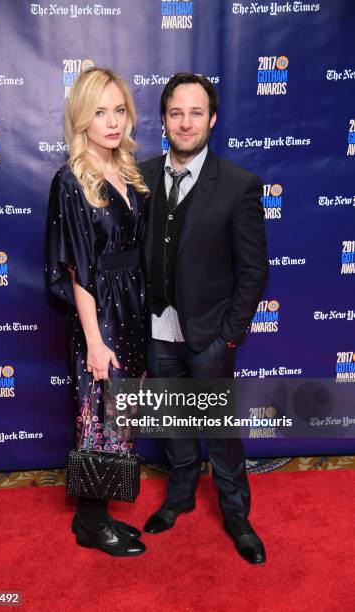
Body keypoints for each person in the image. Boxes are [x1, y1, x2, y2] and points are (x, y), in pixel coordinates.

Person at [140, 73, 269, 564]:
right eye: (176, 113)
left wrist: (228, 335)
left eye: (196, 113)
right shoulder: (142, 176)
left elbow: (254, 269)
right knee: (174, 420)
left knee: (219, 429)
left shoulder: (239, 185)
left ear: (212, 119)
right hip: (157, 330)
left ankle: (236, 513)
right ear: (164, 120)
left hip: (210, 334)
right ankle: (179, 496)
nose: (186, 122)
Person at [46, 67, 149, 557]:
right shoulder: (70, 180)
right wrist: (94, 340)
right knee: (99, 416)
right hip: (101, 309)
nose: (111, 121)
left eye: (118, 110)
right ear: (81, 119)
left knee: (120, 414)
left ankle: (101, 513)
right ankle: (90, 524)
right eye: (99, 112)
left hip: (133, 305)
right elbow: (76, 269)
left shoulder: (128, 170)